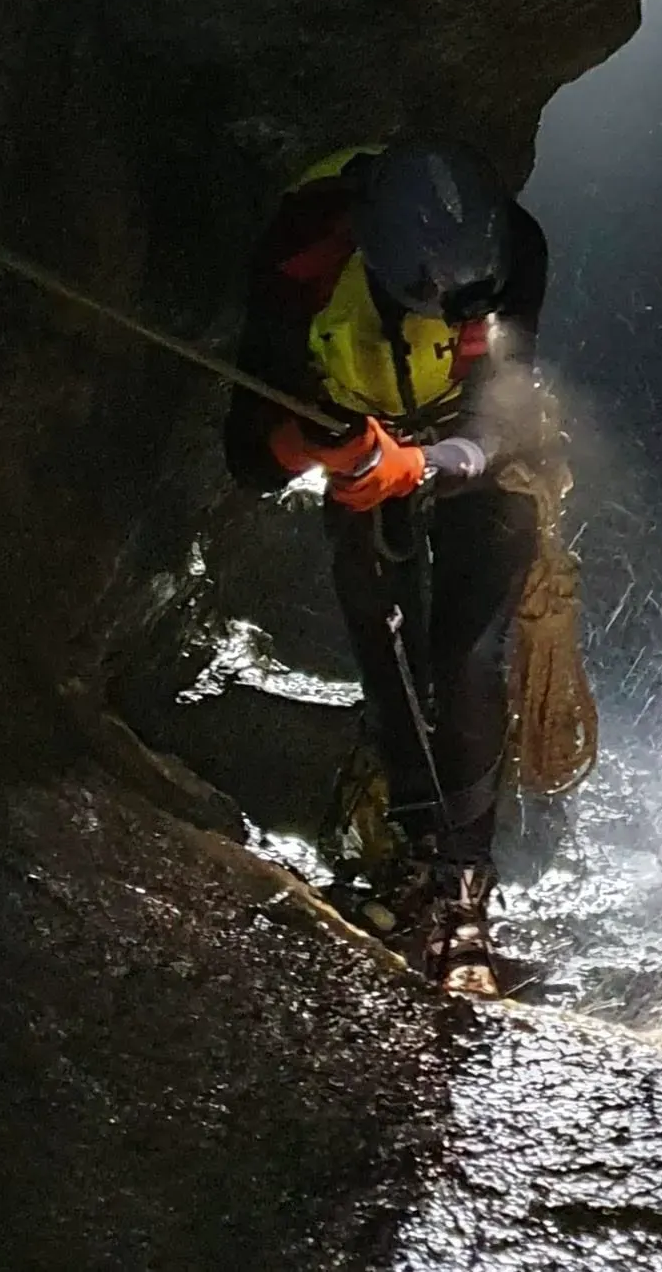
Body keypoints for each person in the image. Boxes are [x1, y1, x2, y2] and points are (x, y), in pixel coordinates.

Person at [223, 139, 547, 996]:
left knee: (469, 650)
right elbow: (248, 451)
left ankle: (465, 887)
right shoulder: (305, 251)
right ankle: (413, 852)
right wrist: (320, 446)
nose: (458, 319)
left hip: (459, 443)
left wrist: (430, 463)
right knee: (381, 626)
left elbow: (502, 412)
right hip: (355, 431)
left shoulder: (511, 248)